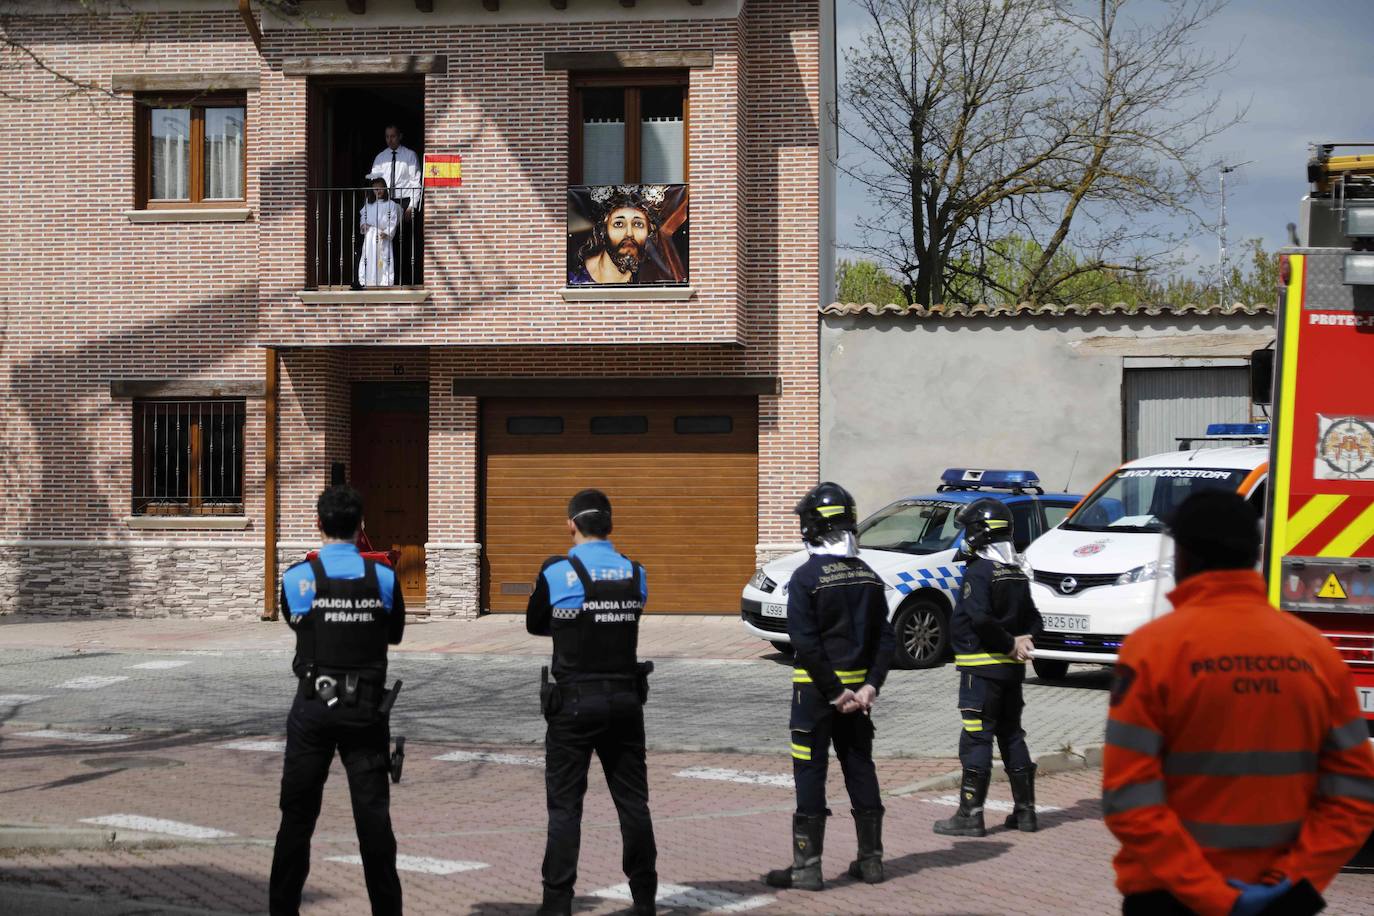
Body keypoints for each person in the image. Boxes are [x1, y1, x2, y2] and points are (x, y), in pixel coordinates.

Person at [1103, 490, 1374, 916]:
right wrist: (1292, 885)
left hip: (1170, 897)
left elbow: (1129, 798)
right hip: (1281, 901)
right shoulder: (1316, 652)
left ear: (1184, 556)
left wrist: (1217, 898)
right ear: (1252, 555)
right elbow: (1355, 793)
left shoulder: (1152, 651)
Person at [269, 485, 405, 916]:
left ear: (318, 524)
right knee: (374, 822)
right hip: (365, 710)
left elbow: (296, 624)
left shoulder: (295, 577)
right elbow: (395, 633)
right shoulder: (383, 577)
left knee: (297, 818)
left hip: (314, 705)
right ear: (360, 525)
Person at [525, 489, 657, 916]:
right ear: (610, 525)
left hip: (574, 704)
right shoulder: (636, 573)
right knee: (633, 804)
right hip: (624, 701)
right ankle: (644, 899)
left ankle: (557, 904)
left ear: (571, 524)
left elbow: (535, 624)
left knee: (565, 808)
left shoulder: (558, 573)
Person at [765, 482, 897, 891]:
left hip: (816, 697)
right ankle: (871, 861)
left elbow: (804, 643)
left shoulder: (805, 578)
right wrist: (871, 686)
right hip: (861, 698)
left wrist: (834, 691)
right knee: (860, 767)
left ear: (812, 527)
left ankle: (807, 867)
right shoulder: (870, 576)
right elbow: (886, 639)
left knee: (810, 771)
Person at [933, 497, 1043, 838]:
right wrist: (1024, 640)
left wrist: (1010, 643)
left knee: (977, 740)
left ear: (981, 533)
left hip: (980, 672)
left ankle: (971, 815)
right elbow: (1035, 619)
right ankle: (1025, 813)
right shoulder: (1015, 571)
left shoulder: (979, 571)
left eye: (968, 530)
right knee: (1012, 735)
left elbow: (979, 618)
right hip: (1011, 672)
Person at [569, 185, 663, 285]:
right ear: (603, 229)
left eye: (638, 224)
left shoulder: (652, 279)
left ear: (649, 231)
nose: (629, 233)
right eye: (619, 224)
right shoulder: (573, 276)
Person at [369, 125, 423, 283]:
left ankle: (405, 280)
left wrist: (412, 205)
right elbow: (374, 181)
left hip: (404, 200)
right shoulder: (380, 157)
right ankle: (384, 279)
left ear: (400, 136)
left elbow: (415, 182)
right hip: (385, 201)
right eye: (387, 136)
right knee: (384, 241)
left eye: (393, 136)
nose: (389, 140)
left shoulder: (410, 155)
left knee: (404, 241)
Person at [358, 176, 401, 288]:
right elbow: (363, 215)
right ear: (372, 190)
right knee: (369, 257)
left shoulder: (391, 204)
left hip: (383, 235)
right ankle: (368, 281)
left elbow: (393, 219)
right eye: (375, 189)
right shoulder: (369, 203)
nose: (378, 191)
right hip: (370, 235)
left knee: (384, 258)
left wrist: (387, 231)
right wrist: (364, 225)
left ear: (385, 189)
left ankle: (384, 281)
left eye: (381, 188)